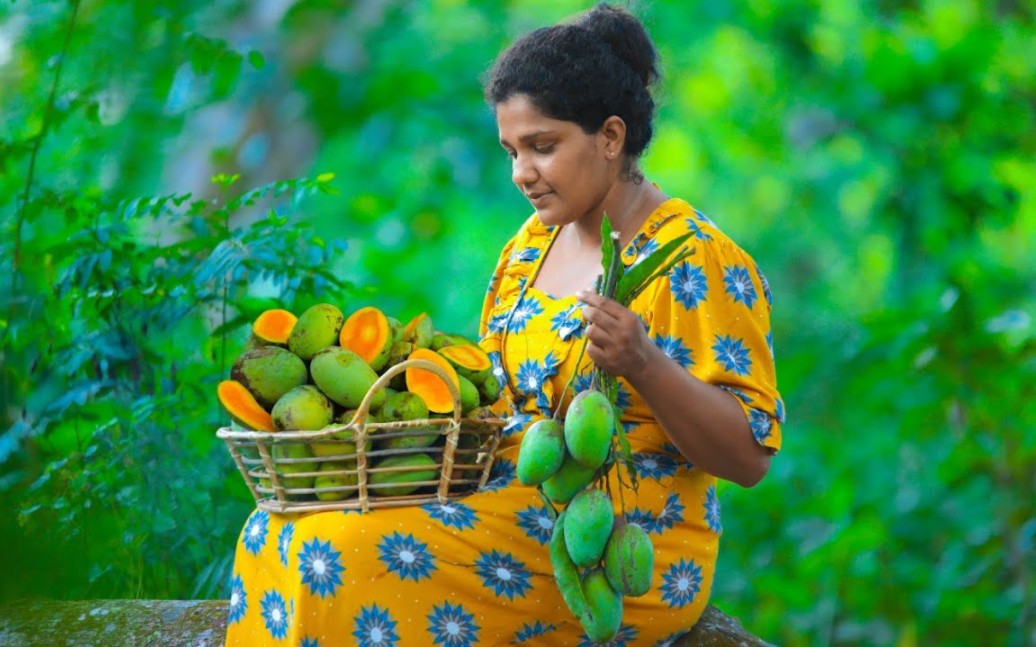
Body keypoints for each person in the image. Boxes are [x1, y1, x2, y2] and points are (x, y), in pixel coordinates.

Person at [224, 4, 784, 645]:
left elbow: (746, 458)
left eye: (543, 147)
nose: (522, 172)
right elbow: (492, 400)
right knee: (282, 529)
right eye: (512, 150)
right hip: (506, 494)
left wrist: (644, 363)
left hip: (613, 541)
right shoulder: (528, 248)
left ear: (609, 136)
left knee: (346, 553)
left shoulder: (693, 257)